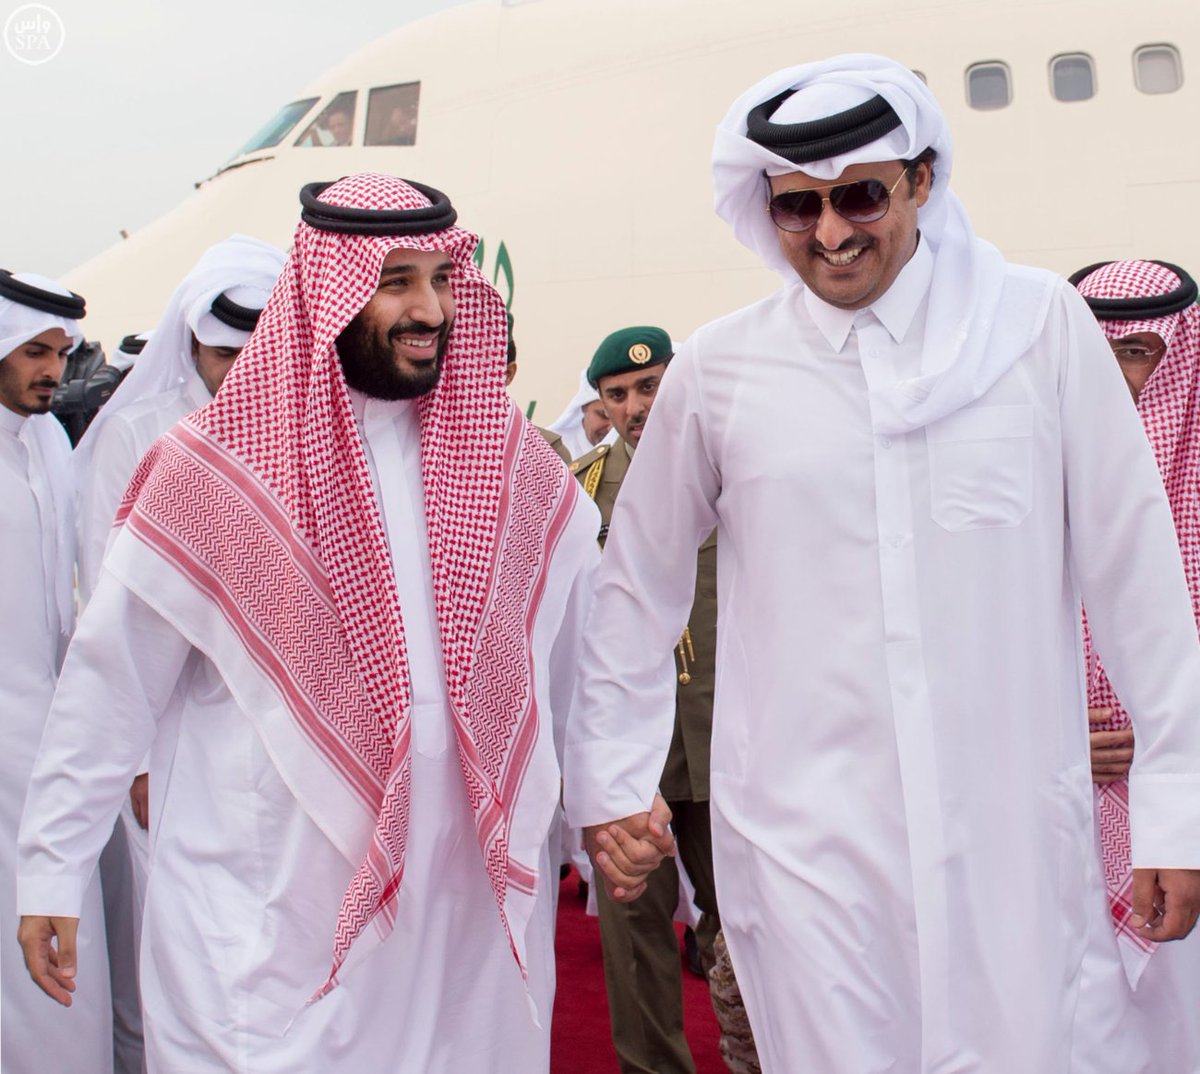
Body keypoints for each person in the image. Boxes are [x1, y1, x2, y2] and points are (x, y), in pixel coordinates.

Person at [563, 55, 1200, 1072]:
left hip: (1006, 834)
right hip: (805, 848)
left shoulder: (1036, 328)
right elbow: (636, 588)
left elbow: (1140, 583)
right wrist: (610, 780)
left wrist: (1179, 811)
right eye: (796, 206)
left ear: (921, 182)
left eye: (859, 195)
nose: (829, 233)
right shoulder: (722, 369)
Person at [16, 173, 608, 1073]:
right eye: (395, 281)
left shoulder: (514, 466)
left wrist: (605, 802)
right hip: (276, 913)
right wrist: (53, 865)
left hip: (463, 914)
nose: (428, 309)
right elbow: (111, 681)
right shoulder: (214, 472)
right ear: (327, 293)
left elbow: (570, 655)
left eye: (440, 280)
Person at [572, 326, 728, 1074]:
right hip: (634, 752)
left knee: (754, 924)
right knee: (635, 935)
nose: (636, 406)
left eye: (651, 386)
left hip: (729, 737)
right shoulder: (580, 493)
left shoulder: (734, 472)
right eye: (618, 395)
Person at [1071, 258, 1200, 1071]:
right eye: (1098, 351)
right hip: (1059, 808)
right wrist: (1050, 730)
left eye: (1137, 351)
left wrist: (1176, 773)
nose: (1116, 376)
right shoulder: (1027, 466)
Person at [0, 270, 113, 1072]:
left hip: (48, 735)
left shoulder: (47, 440)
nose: (52, 371)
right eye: (34, 353)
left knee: (65, 951)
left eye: (60, 353)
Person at [548, 369, 615, 459]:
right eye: (604, 416)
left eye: (617, 417)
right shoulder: (552, 450)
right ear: (584, 407)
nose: (611, 428)